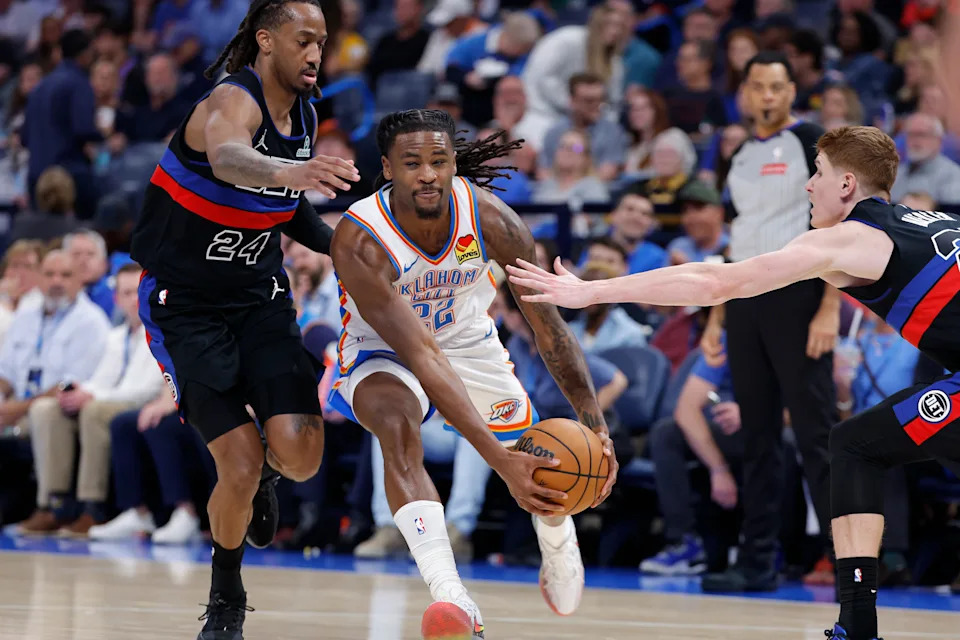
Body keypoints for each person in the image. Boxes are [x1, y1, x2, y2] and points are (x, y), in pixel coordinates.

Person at [506, 124, 949, 640]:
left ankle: (858, 627)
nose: (808, 186)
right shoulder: (925, 222)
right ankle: (856, 625)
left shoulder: (852, 238)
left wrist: (593, 290)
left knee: (854, 445)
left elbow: (715, 282)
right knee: (854, 445)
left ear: (847, 184)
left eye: (818, 174)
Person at [328, 108, 618, 637]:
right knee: (396, 429)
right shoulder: (360, 240)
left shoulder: (493, 220)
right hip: (384, 352)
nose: (428, 174)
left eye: (440, 160)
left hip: (467, 339)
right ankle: (452, 595)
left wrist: (595, 425)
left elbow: (548, 328)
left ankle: (559, 543)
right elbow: (421, 357)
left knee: (547, 453)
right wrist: (498, 462)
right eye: (412, 163)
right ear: (388, 168)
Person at [127, 1, 361, 638]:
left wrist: (350, 245)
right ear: (266, 40)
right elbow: (231, 159)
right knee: (237, 464)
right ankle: (226, 595)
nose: (316, 54)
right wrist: (297, 170)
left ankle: (264, 478)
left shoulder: (305, 116)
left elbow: (285, 207)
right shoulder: (231, 101)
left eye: (323, 42)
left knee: (304, 457)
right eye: (303, 40)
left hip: (258, 299)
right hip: (187, 308)